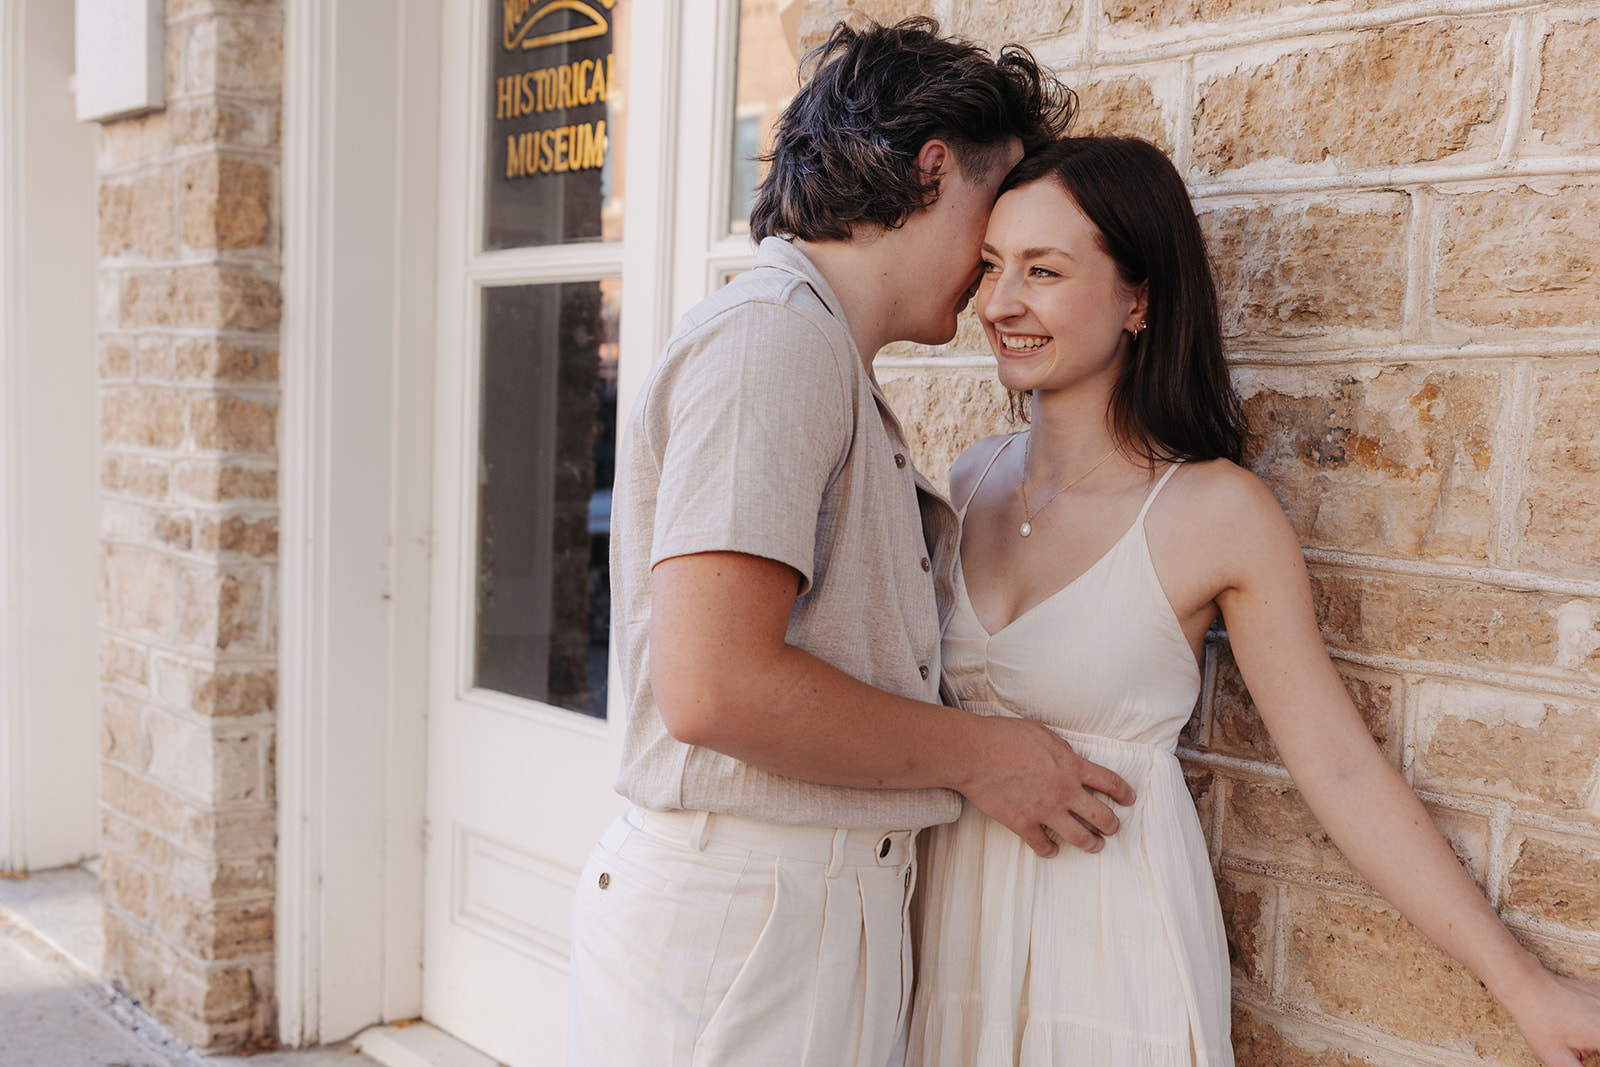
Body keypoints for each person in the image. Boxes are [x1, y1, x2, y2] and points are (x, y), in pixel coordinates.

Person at [906, 136, 1600, 1067]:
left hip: (1108, 951)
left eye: (1044, 270)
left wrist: (1528, 988)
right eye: (992, 266)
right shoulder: (968, 478)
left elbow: (1341, 769)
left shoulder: (1216, 512)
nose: (1000, 304)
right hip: (943, 931)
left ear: (1139, 296)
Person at [567, 21, 1131, 1067]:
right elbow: (714, 686)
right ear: (930, 171)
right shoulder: (774, 339)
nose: (990, 277)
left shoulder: (811, 345)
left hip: (793, 910)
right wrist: (988, 759)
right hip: (751, 920)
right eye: (991, 211)